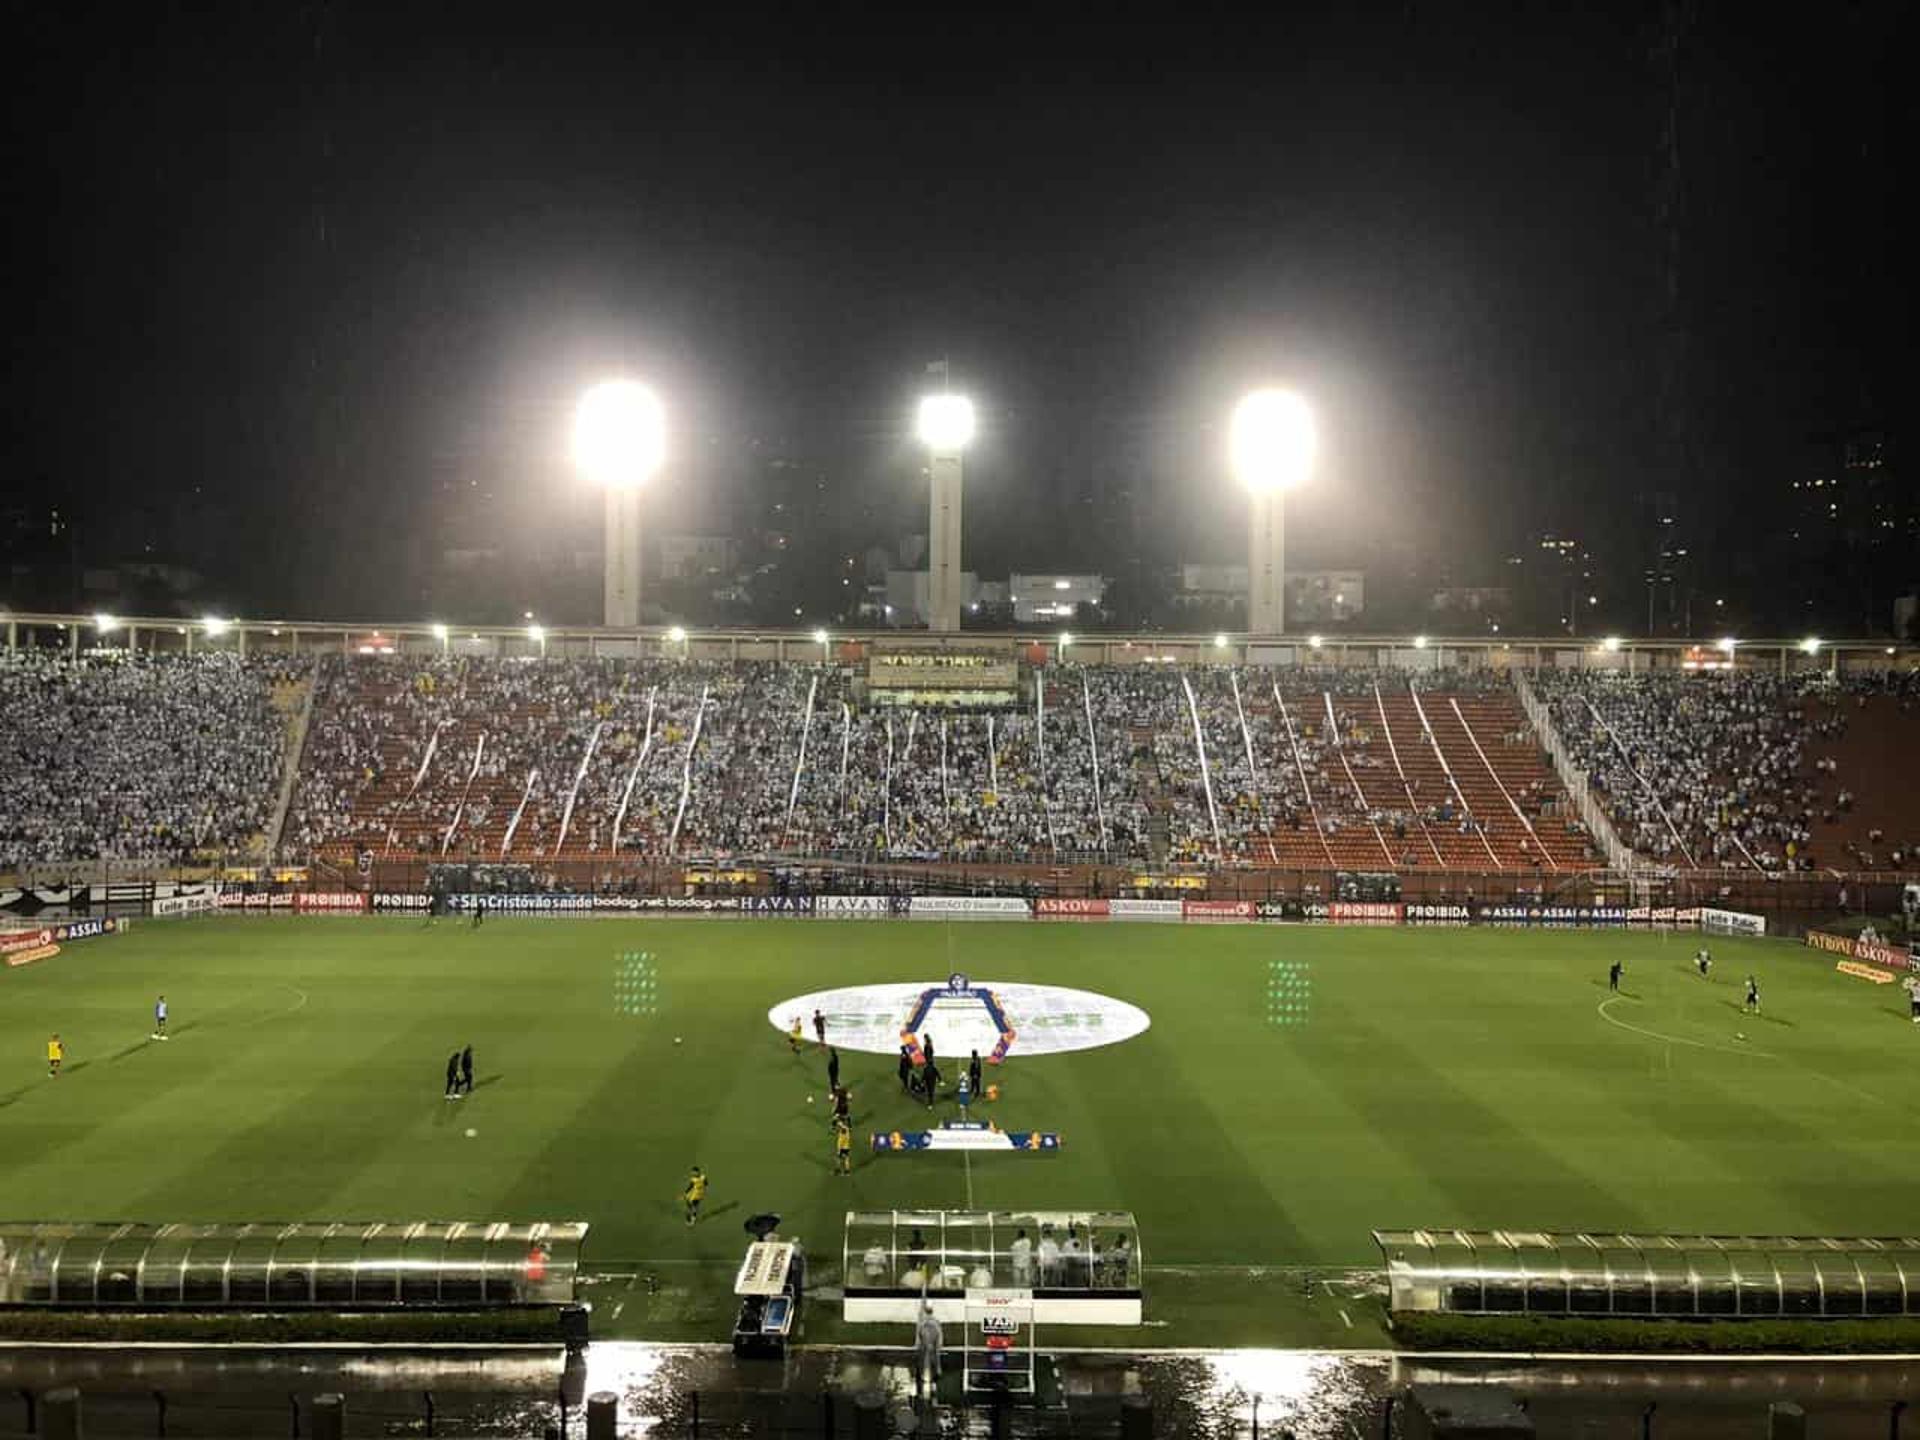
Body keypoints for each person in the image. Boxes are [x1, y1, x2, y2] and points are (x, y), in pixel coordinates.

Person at [914, 1303, 944, 1401]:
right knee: (935, 1366)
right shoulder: (935, 1321)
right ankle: (933, 1389)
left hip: (925, 1347)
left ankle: (922, 1391)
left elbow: (919, 1335)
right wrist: (939, 1346)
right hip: (933, 1347)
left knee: (923, 1366)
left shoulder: (922, 1322)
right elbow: (939, 1335)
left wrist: (920, 1345)